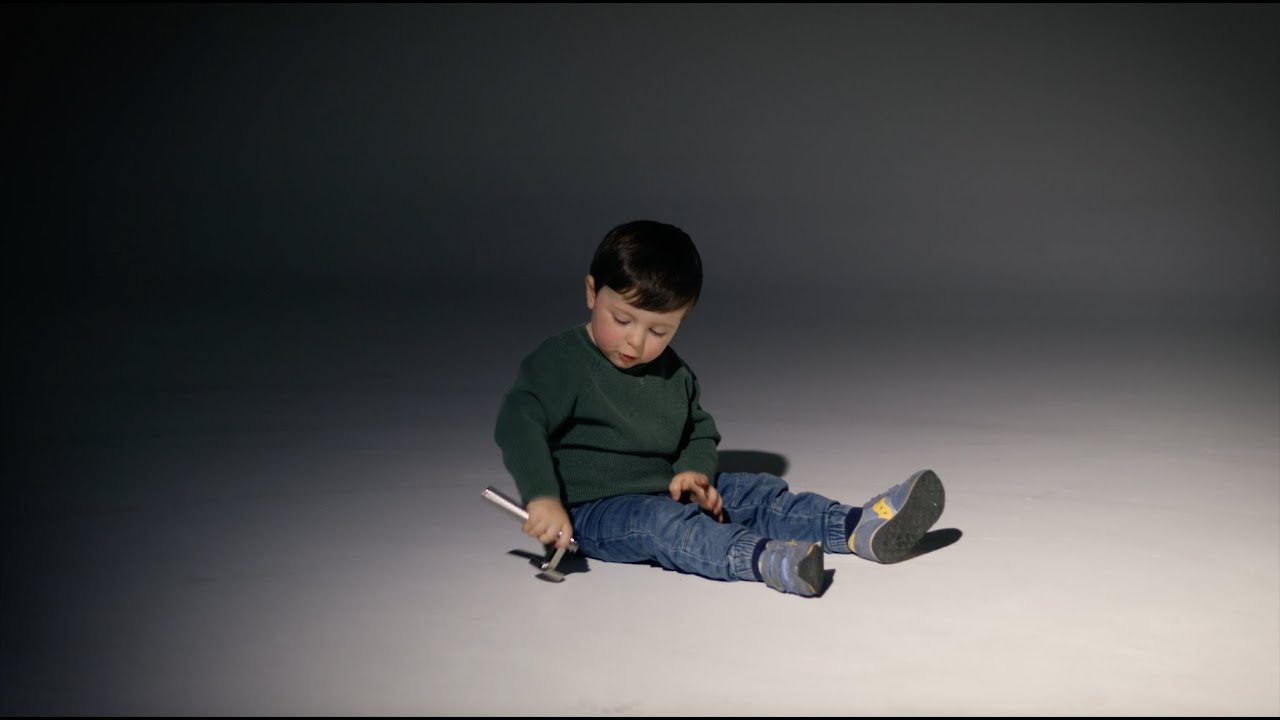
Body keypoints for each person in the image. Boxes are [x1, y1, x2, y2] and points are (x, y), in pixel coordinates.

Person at [493, 220, 944, 597]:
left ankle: (856, 526)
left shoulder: (674, 374)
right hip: (593, 511)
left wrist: (694, 472)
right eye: (623, 319)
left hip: (665, 487)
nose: (637, 341)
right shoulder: (563, 362)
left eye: (659, 331)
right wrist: (543, 498)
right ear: (593, 293)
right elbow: (519, 421)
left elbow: (698, 430)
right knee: (662, 525)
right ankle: (766, 559)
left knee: (754, 491)